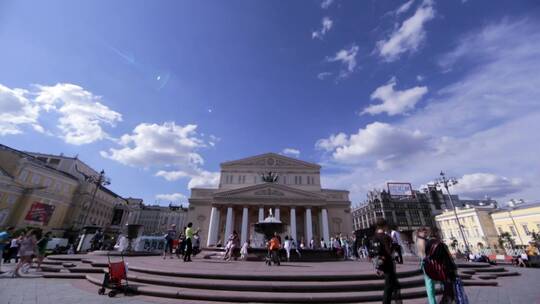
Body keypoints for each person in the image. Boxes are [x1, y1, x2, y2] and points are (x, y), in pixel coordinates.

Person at [371, 219, 400, 304]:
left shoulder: (374, 237)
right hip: (388, 263)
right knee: (388, 286)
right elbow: (389, 252)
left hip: (379, 263)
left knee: (390, 285)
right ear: (384, 226)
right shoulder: (386, 237)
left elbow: (373, 252)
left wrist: (377, 267)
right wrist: (393, 248)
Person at [425, 227, 457, 303]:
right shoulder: (440, 244)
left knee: (447, 292)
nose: (440, 234)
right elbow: (446, 259)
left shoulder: (428, 243)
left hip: (435, 270)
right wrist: (453, 270)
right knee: (449, 293)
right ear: (436, 233)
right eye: (439, 232)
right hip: (445, 271)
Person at [416, 227, 436, 304]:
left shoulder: (423, 240)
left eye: (426, 232)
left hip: (427, 263)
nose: (426, 233)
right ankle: (432, 302)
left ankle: (433, 301)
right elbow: (423, 254)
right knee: (430, 283)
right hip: (427, 263)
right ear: (420, 232)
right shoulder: (421, 241)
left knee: (430, 283)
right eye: (424, 232)